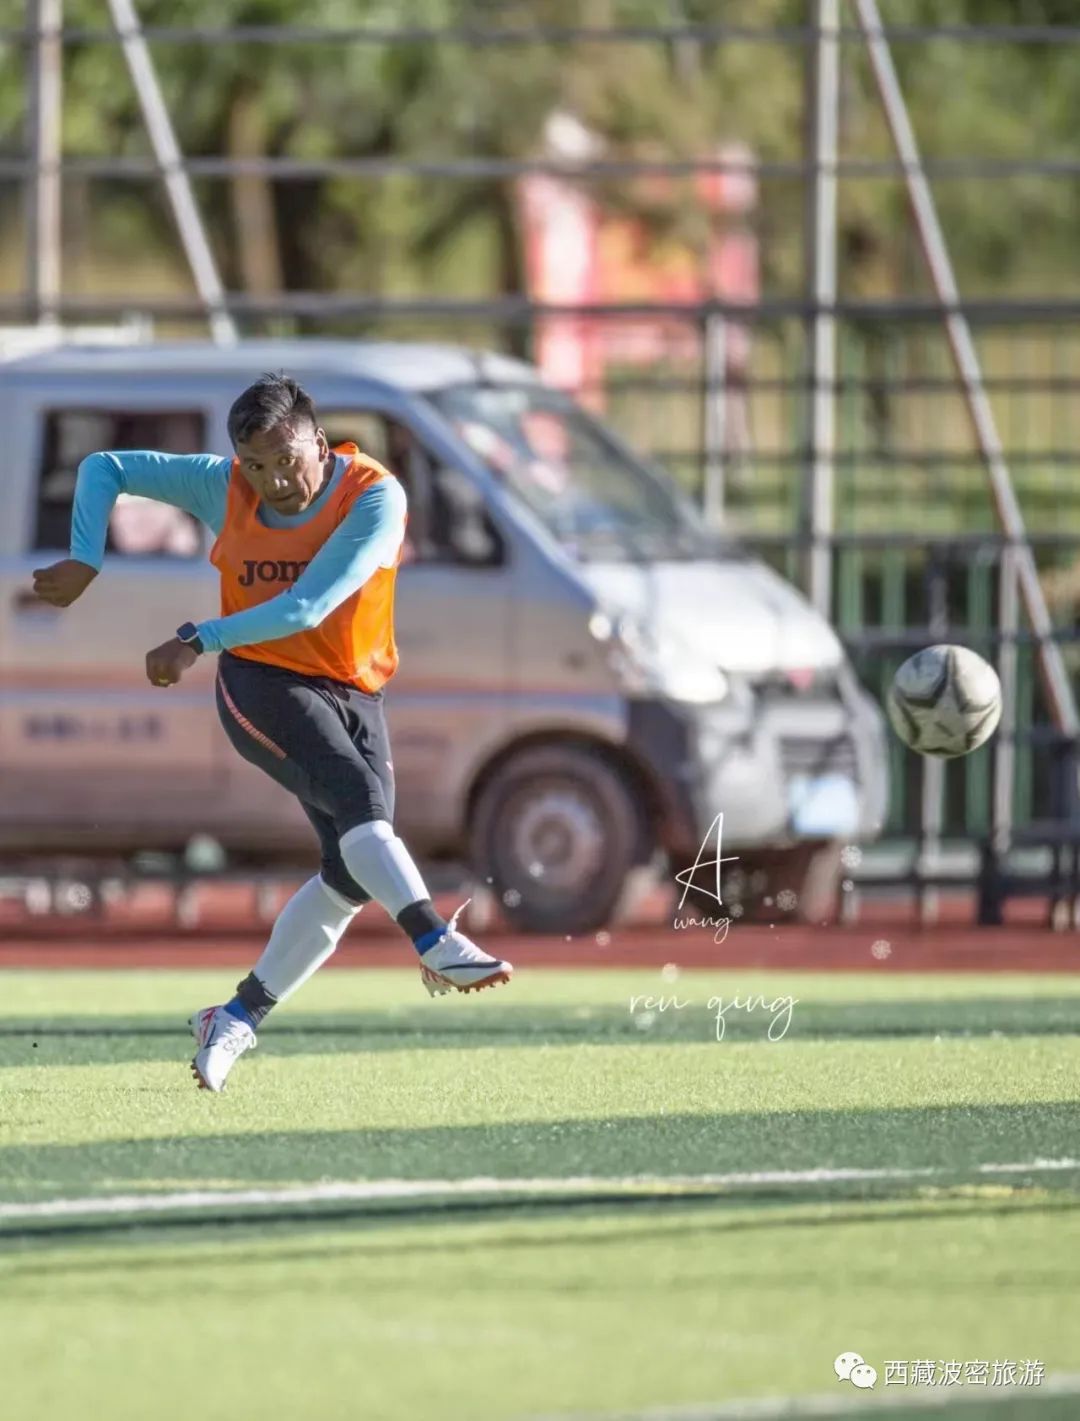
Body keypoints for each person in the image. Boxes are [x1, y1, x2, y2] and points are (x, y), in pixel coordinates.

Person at [31, 374, 513, 1093]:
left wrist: (197, 634)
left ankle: (234, 1016)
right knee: (359, 803)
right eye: (256, 465)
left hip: (353, 689)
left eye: (287, 458)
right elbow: (106, 467)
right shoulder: (225, 486)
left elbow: (310, 604)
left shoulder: (375, 496)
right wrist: (86, 556)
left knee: (351, 871)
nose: (274, 480)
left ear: (319, 442)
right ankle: (432, 936)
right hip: (259, 682)